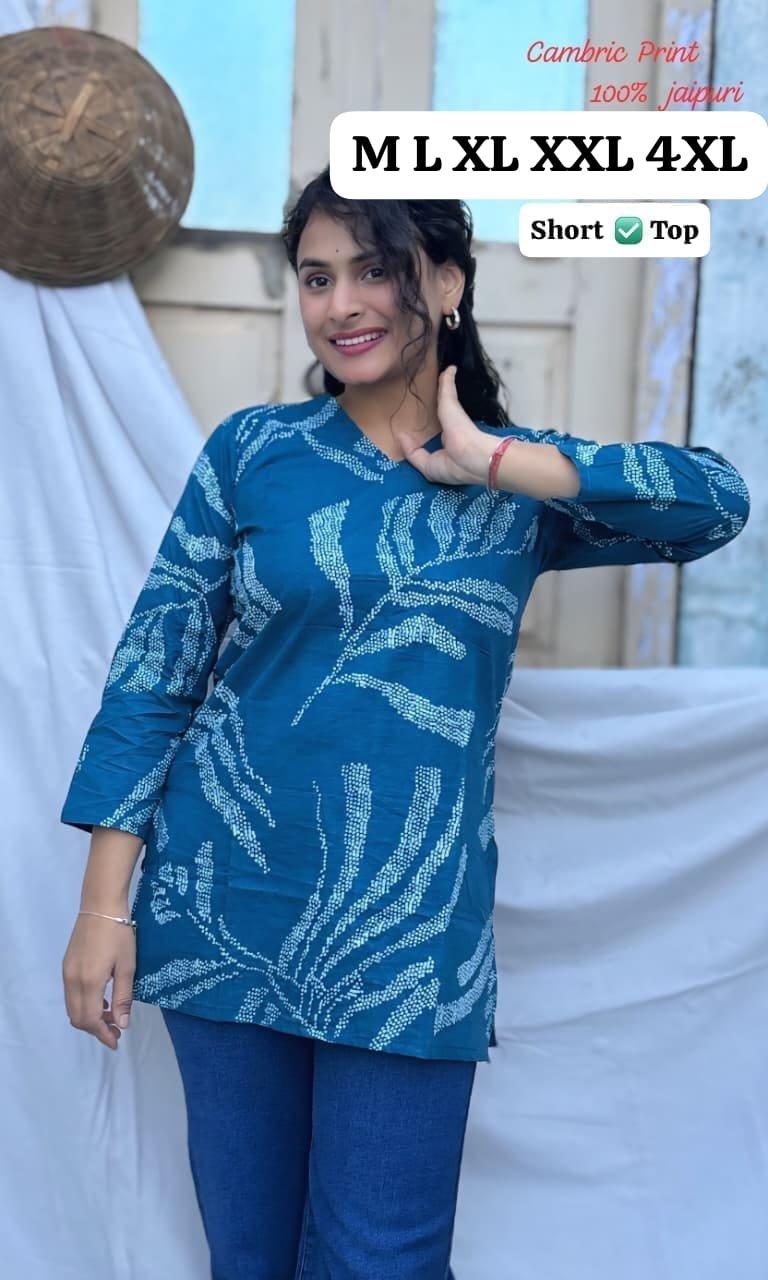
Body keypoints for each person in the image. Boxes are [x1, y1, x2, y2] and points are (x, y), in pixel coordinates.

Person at [60, 163, 750, 1280]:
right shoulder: (252, 453)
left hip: (407, 931)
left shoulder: (516, 487)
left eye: (373, 270)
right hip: (222, 903)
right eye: (315, 277)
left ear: (448, 281)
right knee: (249, 1256)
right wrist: (104, 905)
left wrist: (494, 459)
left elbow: (716, 504)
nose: (340, 304)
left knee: (384, 1257)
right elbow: (154, 676)